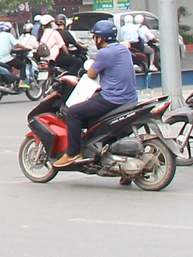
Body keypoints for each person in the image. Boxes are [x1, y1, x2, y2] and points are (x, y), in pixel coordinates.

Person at [57, 20, 137, 168]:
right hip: (130, 99)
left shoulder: (104, 53)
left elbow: (92, 74)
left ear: (99, 38)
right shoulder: (123, 50)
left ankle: (73, 152)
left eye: (94, 37)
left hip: (113, 100)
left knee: (73, 113)